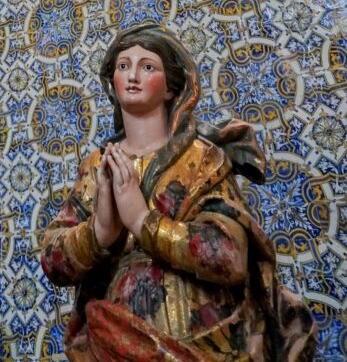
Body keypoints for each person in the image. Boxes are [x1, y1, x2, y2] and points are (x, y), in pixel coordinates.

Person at [40, 21, 316, 362]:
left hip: (200, 341)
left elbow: (229, 254)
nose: (132, 75)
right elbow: (53, 260)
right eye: (123, 66)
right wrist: (100, 232)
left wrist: (142, 220)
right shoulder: (98, 167)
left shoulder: (201, 158)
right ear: (112, 82)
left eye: (148, 66)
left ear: (171, 87)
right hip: (112, 338)